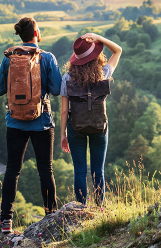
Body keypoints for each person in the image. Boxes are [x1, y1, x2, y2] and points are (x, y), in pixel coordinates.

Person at [0, 17, 61, 233]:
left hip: (14, 121)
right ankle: (51, 216)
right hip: (41, 121)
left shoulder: (9, 59)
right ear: (36, 33)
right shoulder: (47, 58)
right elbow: (58, 89)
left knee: (12, 170)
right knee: (45, 170)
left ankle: (6, 222)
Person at [60, 33, 122, 205]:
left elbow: (64, 111)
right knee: (98, 171)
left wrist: (63, 135)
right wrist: (99, 38)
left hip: (75, 127)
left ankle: (81, 208)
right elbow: (118, 51)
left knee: (79, 171)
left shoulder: (67, 78)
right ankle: (99, 208)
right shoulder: (104, 73)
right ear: (96, 57)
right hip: (99, 126)